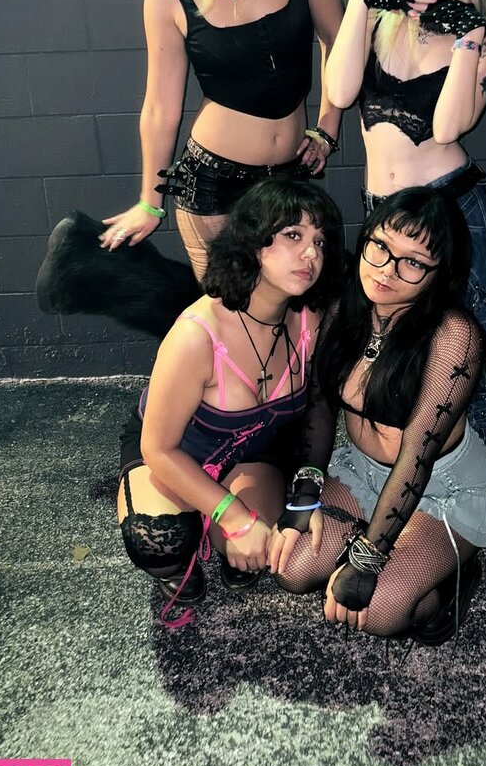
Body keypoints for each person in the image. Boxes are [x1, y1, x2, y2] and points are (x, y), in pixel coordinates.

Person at [99, 0, 344, 280]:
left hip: (290, 177)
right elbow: (160, 109)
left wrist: (328, 127)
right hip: (213, 188)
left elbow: (338, 41)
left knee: (298, 307)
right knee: (232, 317)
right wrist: (150, 202)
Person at [270, 187, 486, 644]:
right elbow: (320, 408)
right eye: (380, 246)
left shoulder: (454, 337)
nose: (386, 270)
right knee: (292, 568)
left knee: (377, 612)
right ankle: (383, 545)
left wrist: (367, 559)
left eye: (413, 262)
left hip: (440, 489)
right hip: (363, 472)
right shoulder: (344, 308)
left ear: (440, 274)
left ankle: (446, 580)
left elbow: (417, 459)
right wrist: (305, 495)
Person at [325, 0, 486, 450]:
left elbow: (449, 125)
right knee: (394, 341)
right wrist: (359, 4)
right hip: (383, 216)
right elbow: (338, 92)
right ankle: (404, 460)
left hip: (452, 213)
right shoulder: (380, 23)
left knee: (470, 346)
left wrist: (466, 35)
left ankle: (476, 467)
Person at [117, 178, 343, 628]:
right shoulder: (196, 334)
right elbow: (158, 448)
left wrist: (305, 492)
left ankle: (225, 539)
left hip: (255, 456)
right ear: (251, 242)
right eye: (293, 235)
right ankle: (183, 555)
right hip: (177, 452)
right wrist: (233, 515)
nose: (311, 254)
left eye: (319, 241)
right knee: (159, 541)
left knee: (271, 550)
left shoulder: (310, 321)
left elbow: (320, 411)